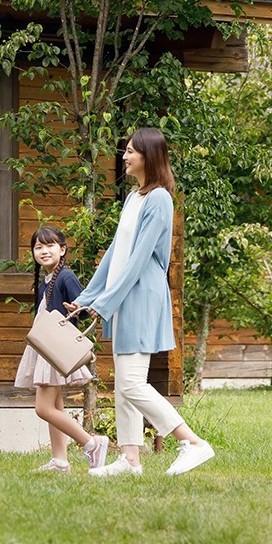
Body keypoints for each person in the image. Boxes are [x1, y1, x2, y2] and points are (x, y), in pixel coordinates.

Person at [65, 127, 214, 477]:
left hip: (142, 297)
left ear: (149, 156)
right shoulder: (134, 197)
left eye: (131, 151)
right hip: (122, 297)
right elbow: (117, 254)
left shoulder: (160, 199)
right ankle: (130, 460)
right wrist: (87, 298)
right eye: (126, 150)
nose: (125, 156)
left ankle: (191, 441)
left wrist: (105, 302)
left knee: (133, 383)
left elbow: (140, 258)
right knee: (124, 384)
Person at [18, 226, 109, 473]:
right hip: (45, 348)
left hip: (54, 349)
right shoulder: (46, 281)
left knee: (43, 408)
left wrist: (74, 310)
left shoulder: (66, 277)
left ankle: (92, 443)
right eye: (38, 247)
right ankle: (60, 461)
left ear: (62, 249)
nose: (44, 251)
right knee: (55, 408)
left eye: (49, 246)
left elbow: (83, 306)